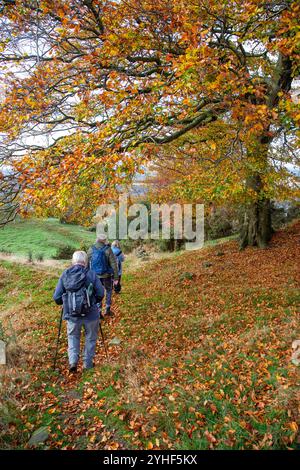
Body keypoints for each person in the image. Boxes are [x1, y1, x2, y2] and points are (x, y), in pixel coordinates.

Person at [53, 251, 104, 373]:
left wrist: (66, 302)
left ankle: (73, 362)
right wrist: (92, 302)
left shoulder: (65, 274)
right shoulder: (91, 274)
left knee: (73, 337)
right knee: (91, 338)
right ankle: (87, 364)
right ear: (85, 262)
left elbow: (57, 298)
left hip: (72, 315)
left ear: (73, 261)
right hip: (91, 315)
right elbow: (101, 294)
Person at [87, 234, 119, 317]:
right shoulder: (108, 249)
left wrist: (87, 275)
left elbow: (86, 263)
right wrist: (116, 277)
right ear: (105, 240)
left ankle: (98, 311)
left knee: (97, 292)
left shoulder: (91, 249)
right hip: (107, 276)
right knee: (108, 291)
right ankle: (107, 310)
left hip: (95, 276)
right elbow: (114, 264)